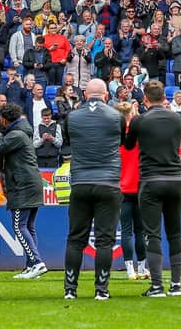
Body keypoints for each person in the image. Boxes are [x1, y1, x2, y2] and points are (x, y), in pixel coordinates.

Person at [62, 78, 126, 300]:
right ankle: (102, 290)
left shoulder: (72, 117)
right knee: (105, 240)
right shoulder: (116, 116)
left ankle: (70, 289)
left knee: (75, 238)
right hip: (108, 183)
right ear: (106, 95)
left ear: (85, 95)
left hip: (80, 182)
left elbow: (68, 143)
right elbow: (122, 141)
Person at [124, 81, 181, 297]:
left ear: (145, 100)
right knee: (175, 232)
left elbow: (128, 145)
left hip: (150, 180)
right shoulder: (177, 119)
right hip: (175, 180)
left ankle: (157, 285)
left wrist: (130, 120)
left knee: (152, 233)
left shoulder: (141, 120)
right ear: (164, 99)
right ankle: (176, 284)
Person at [0, 103, 46, 280]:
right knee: (29, 226)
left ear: (5, 119)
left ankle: (37, 262)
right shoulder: (20, 132)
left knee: (19, 226)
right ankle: (32, 266)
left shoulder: (15, 135)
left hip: (23, 185)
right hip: (32, 183)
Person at [115, 102, 149, 281]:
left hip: (122, 188)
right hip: (140, 186)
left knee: (127, 231)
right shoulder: (140, 134)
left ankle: (130, 270)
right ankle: (142, 268)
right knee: (140, 230)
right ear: (131, 113)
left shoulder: (115, 134)